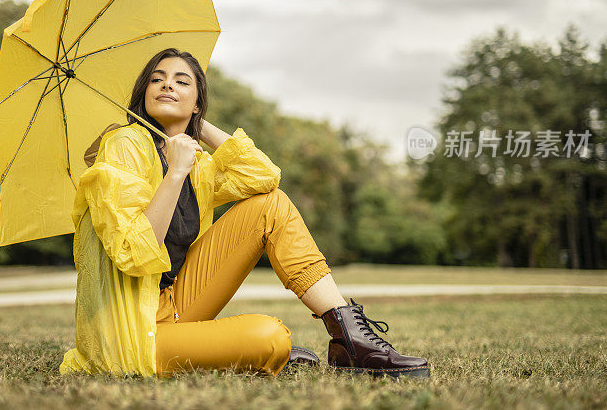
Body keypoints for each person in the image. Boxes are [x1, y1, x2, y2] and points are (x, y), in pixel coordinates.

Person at [60, 47, 430, 379]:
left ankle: (347, 337)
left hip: (177, 302)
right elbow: (134, 253)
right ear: (143, 93)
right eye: (156, 79)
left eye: (180, 81)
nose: (166, 85)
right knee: (272, 337)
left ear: (197, 104)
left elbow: (265, 176)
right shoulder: (124, 146)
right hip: (133, 331)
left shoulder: (197, 163)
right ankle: (239, 350)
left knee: (271, 204)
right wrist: (173, 172)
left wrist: (195, 128)